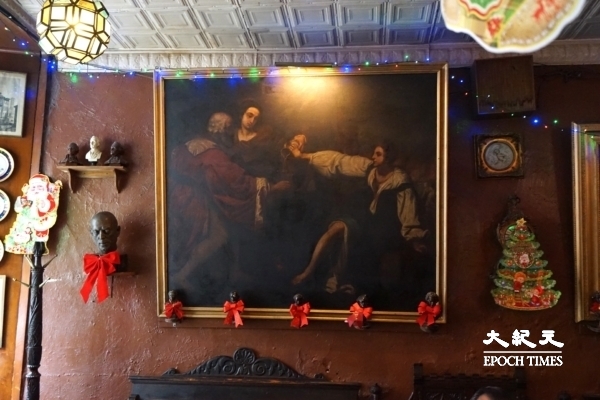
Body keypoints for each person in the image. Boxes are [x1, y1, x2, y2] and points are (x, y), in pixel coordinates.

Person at [168, 112, 290, 302]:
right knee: (219, 235)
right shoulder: (214, 153)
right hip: (193, 200)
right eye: (228, 129)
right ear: (222, 130)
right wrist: (269, 186)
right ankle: (182, 274)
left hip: (178, 197)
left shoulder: (193, 143)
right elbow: (235, 181)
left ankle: (233, 271)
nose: (230, 133)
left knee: (228, 229)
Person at [288, 140, 429, 296]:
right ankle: (308, 272)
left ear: (388, 158)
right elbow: (339, 161)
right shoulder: (369, 168)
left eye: (378, 154)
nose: (373, 157)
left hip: (385, 228)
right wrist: (304, 156)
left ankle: (348, 284)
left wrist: (414, 238)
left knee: (366, 250)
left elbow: (408, 211)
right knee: (335, 229)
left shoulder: (400, 180)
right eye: (374, 153)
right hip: (363, 219)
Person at [4, 174, 62, 255]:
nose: (36, 190)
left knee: (38, 232)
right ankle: (19, 246)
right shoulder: (28, 196)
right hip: (25, 222)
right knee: (20, 232)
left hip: (40, 221)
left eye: (40, 187)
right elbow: (17, 208)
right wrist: (22, 203)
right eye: (33, 188)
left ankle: (37, 248)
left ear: (45, 188)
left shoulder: (46, 197)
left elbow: (47, 209)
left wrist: (40, 205)